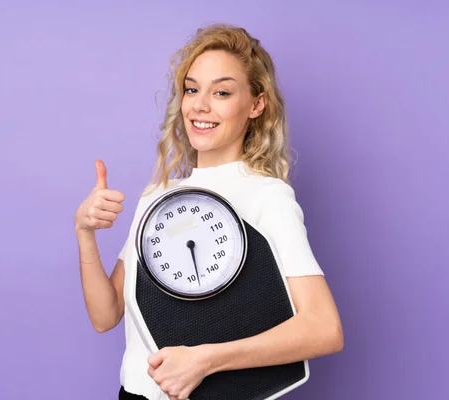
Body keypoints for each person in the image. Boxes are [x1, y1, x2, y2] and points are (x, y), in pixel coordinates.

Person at [74, 24, 344, 400]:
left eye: (221, 92)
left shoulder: (268, 197)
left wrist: (206, 360)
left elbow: (323, 328)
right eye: (192, 89)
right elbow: (106, 316)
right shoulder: (159, 197)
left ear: (256, 105)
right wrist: (84, 232)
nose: (200, 105)